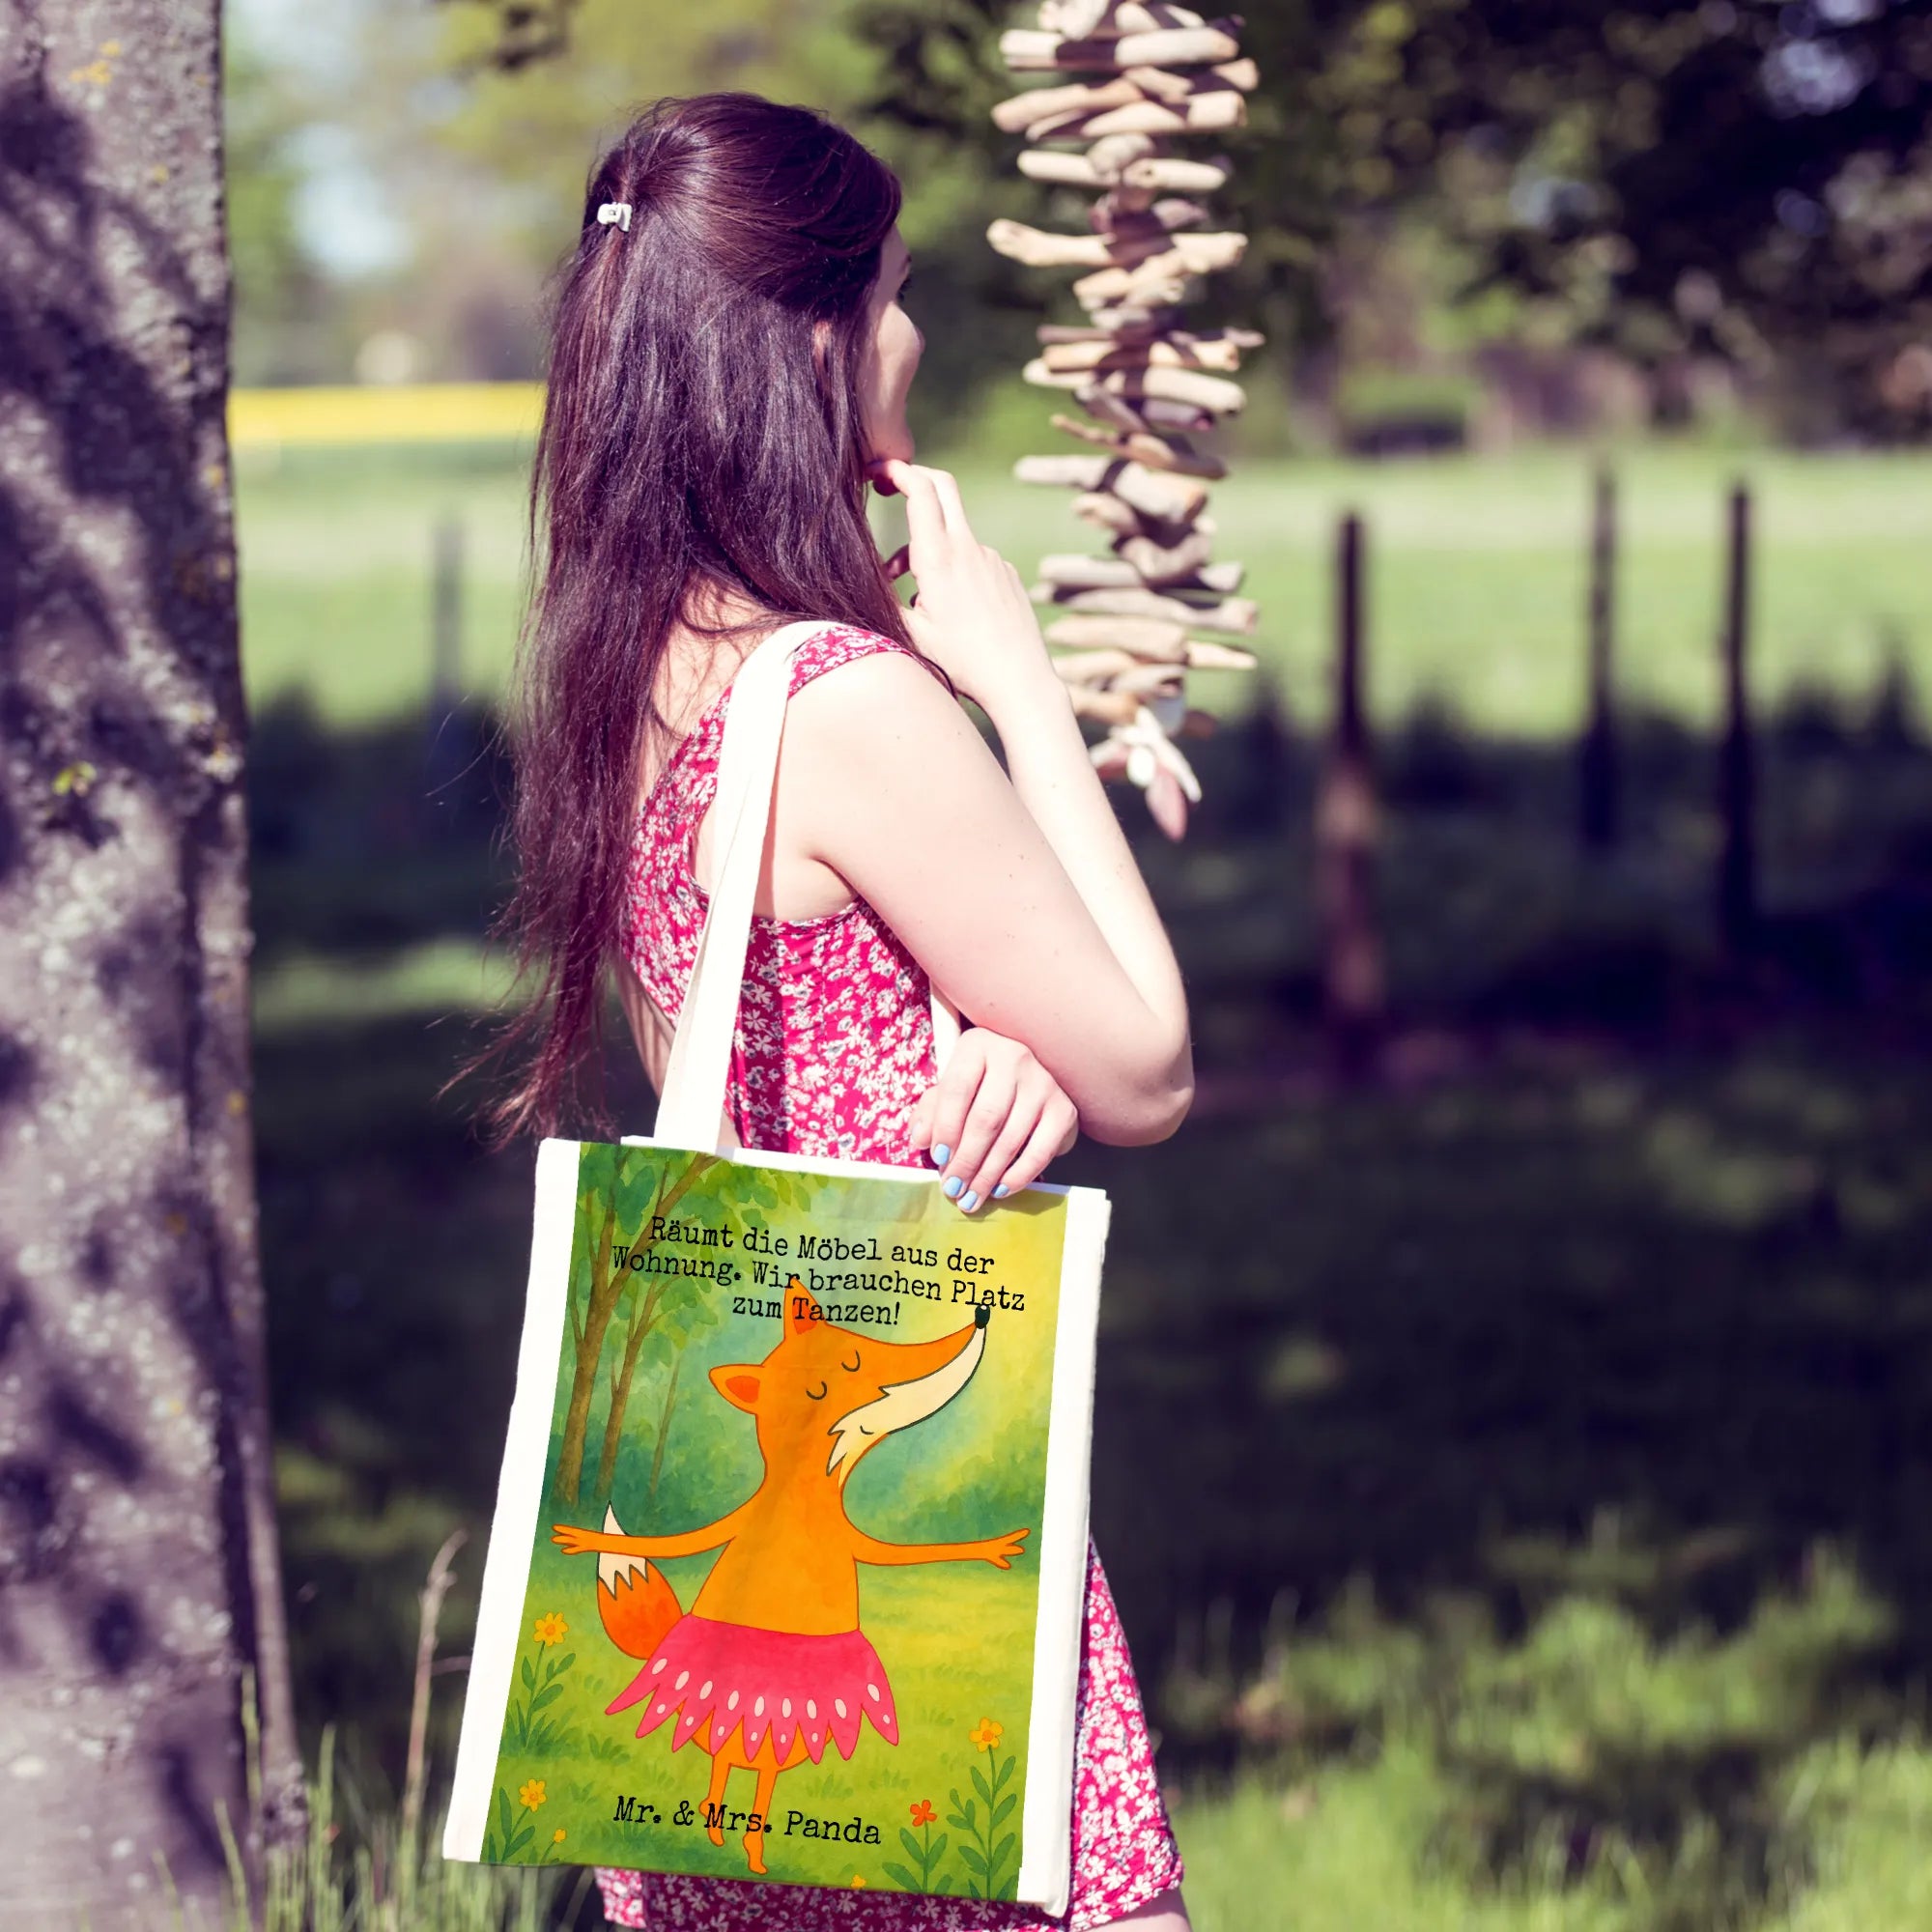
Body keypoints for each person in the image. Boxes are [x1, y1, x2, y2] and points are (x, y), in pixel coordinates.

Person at [479, 90, 1196, 1932]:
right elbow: (1146, 1064)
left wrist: (984, 1034)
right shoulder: (850, 705)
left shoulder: (632, 666)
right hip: (907, 1564)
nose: (913, 336)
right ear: (812, 338)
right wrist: (1021, 691)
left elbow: (747, 1040)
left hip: (724, 1727)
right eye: (891, 293)